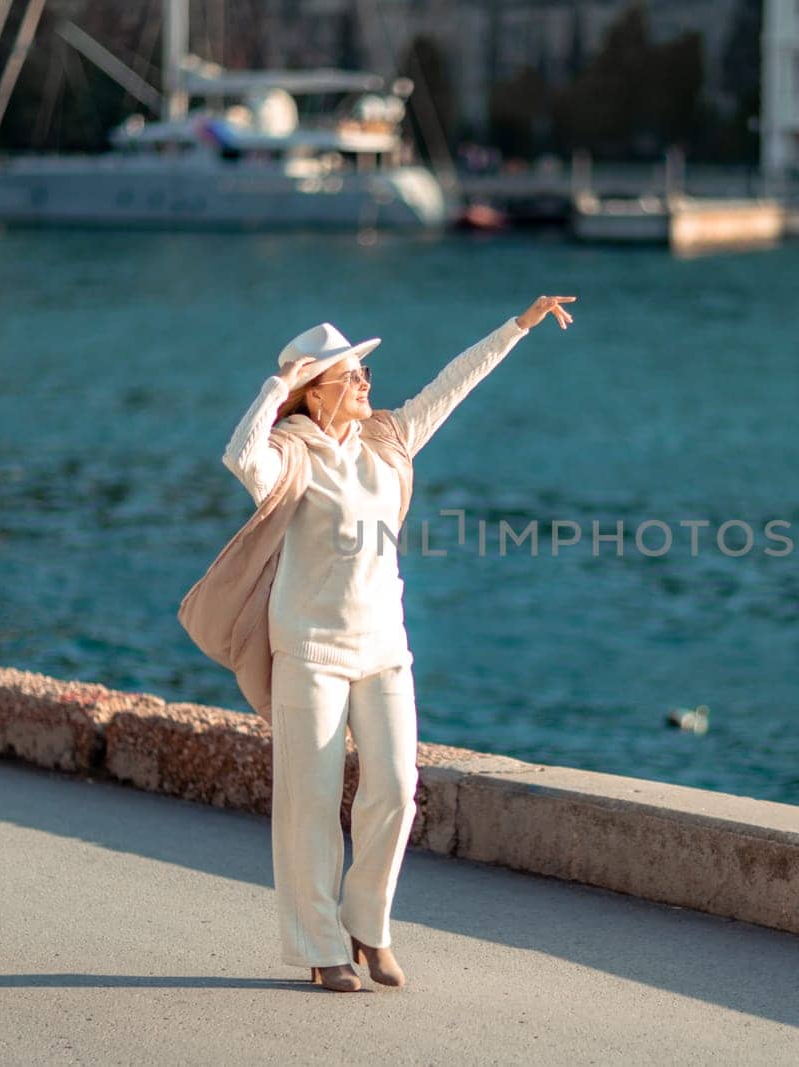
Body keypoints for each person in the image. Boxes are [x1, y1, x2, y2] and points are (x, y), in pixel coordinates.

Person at [203, 295, 576, 993]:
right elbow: (240, 457)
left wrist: (517, 325)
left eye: (364, 375)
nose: (367, 385)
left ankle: (367, 924)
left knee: (397, 788)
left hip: (384, 646)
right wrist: (276, 390)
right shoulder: (293, 452)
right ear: (316, 394)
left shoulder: (388, 439)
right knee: (309, 802)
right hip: (310, 650)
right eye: (351, 377)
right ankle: (320, 945)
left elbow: (453, 384)